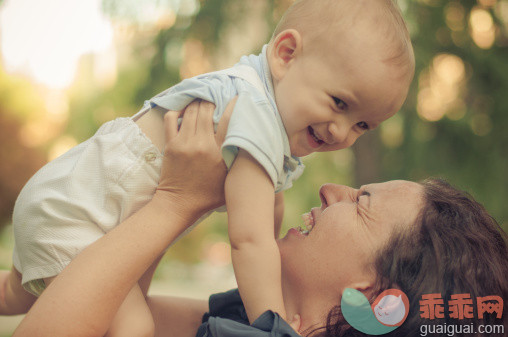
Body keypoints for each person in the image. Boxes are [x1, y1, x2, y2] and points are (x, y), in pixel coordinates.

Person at [1, 0, 415, 335]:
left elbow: (267, 215)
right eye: (339, 103)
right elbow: (250, 240)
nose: (341, 131)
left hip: (76, 200)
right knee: (132, 326)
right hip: (79, 214)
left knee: (17, 296)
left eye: (362, 124)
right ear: (286, 55)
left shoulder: (263, 106)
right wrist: (269, 320)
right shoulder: (255, 117)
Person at [10, 100, 508, 337]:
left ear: (378, 299)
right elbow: (107, 312)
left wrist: (174, 203)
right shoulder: (250, 319)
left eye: (361, 203)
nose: (331, 189)